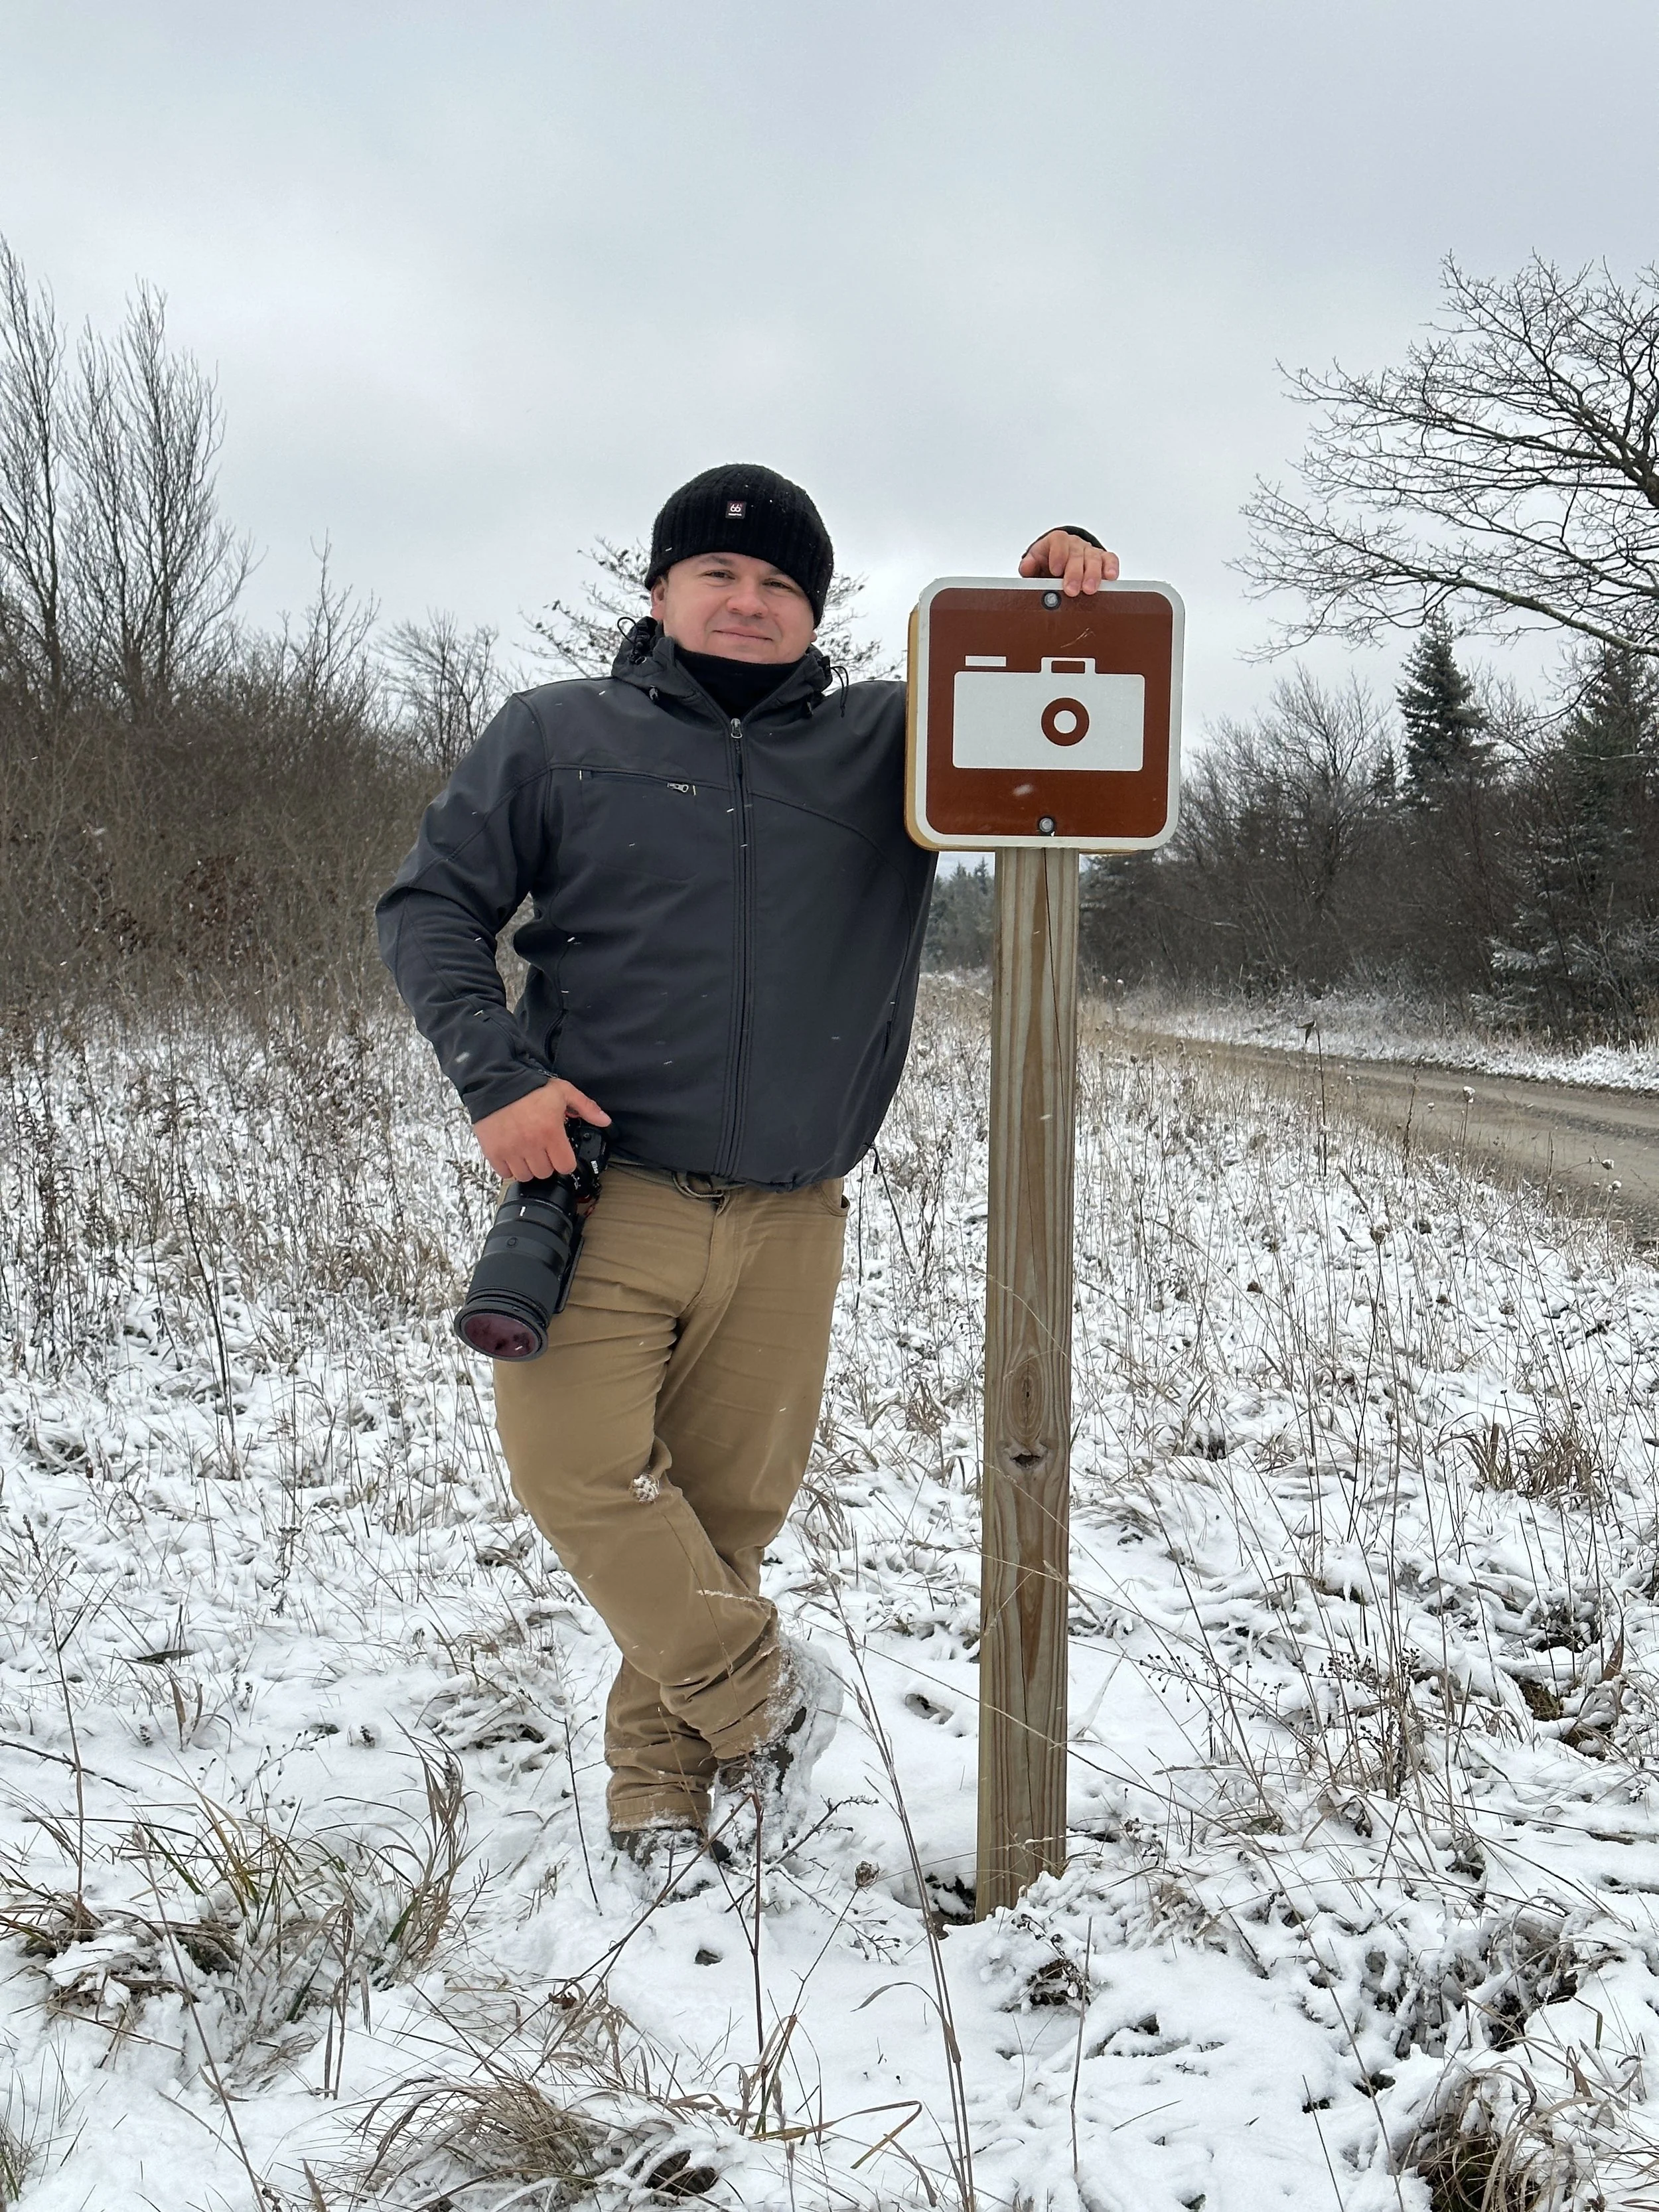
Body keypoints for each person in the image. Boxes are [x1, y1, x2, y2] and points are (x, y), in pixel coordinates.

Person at [376, 465, 1117, 1877]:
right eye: (717, 574)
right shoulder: (552, 735)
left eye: (781, 584)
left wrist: (1053, 587)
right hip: (599, 1192)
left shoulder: (882, 747)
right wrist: (498, 1075)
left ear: (813, 615)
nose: (747, 600)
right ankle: (760, 1700)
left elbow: (1035, 694)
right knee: (576, 1470)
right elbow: (431, 906)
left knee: (718, 1523)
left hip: (792, 1212)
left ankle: (660, 1796)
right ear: (657, 592)